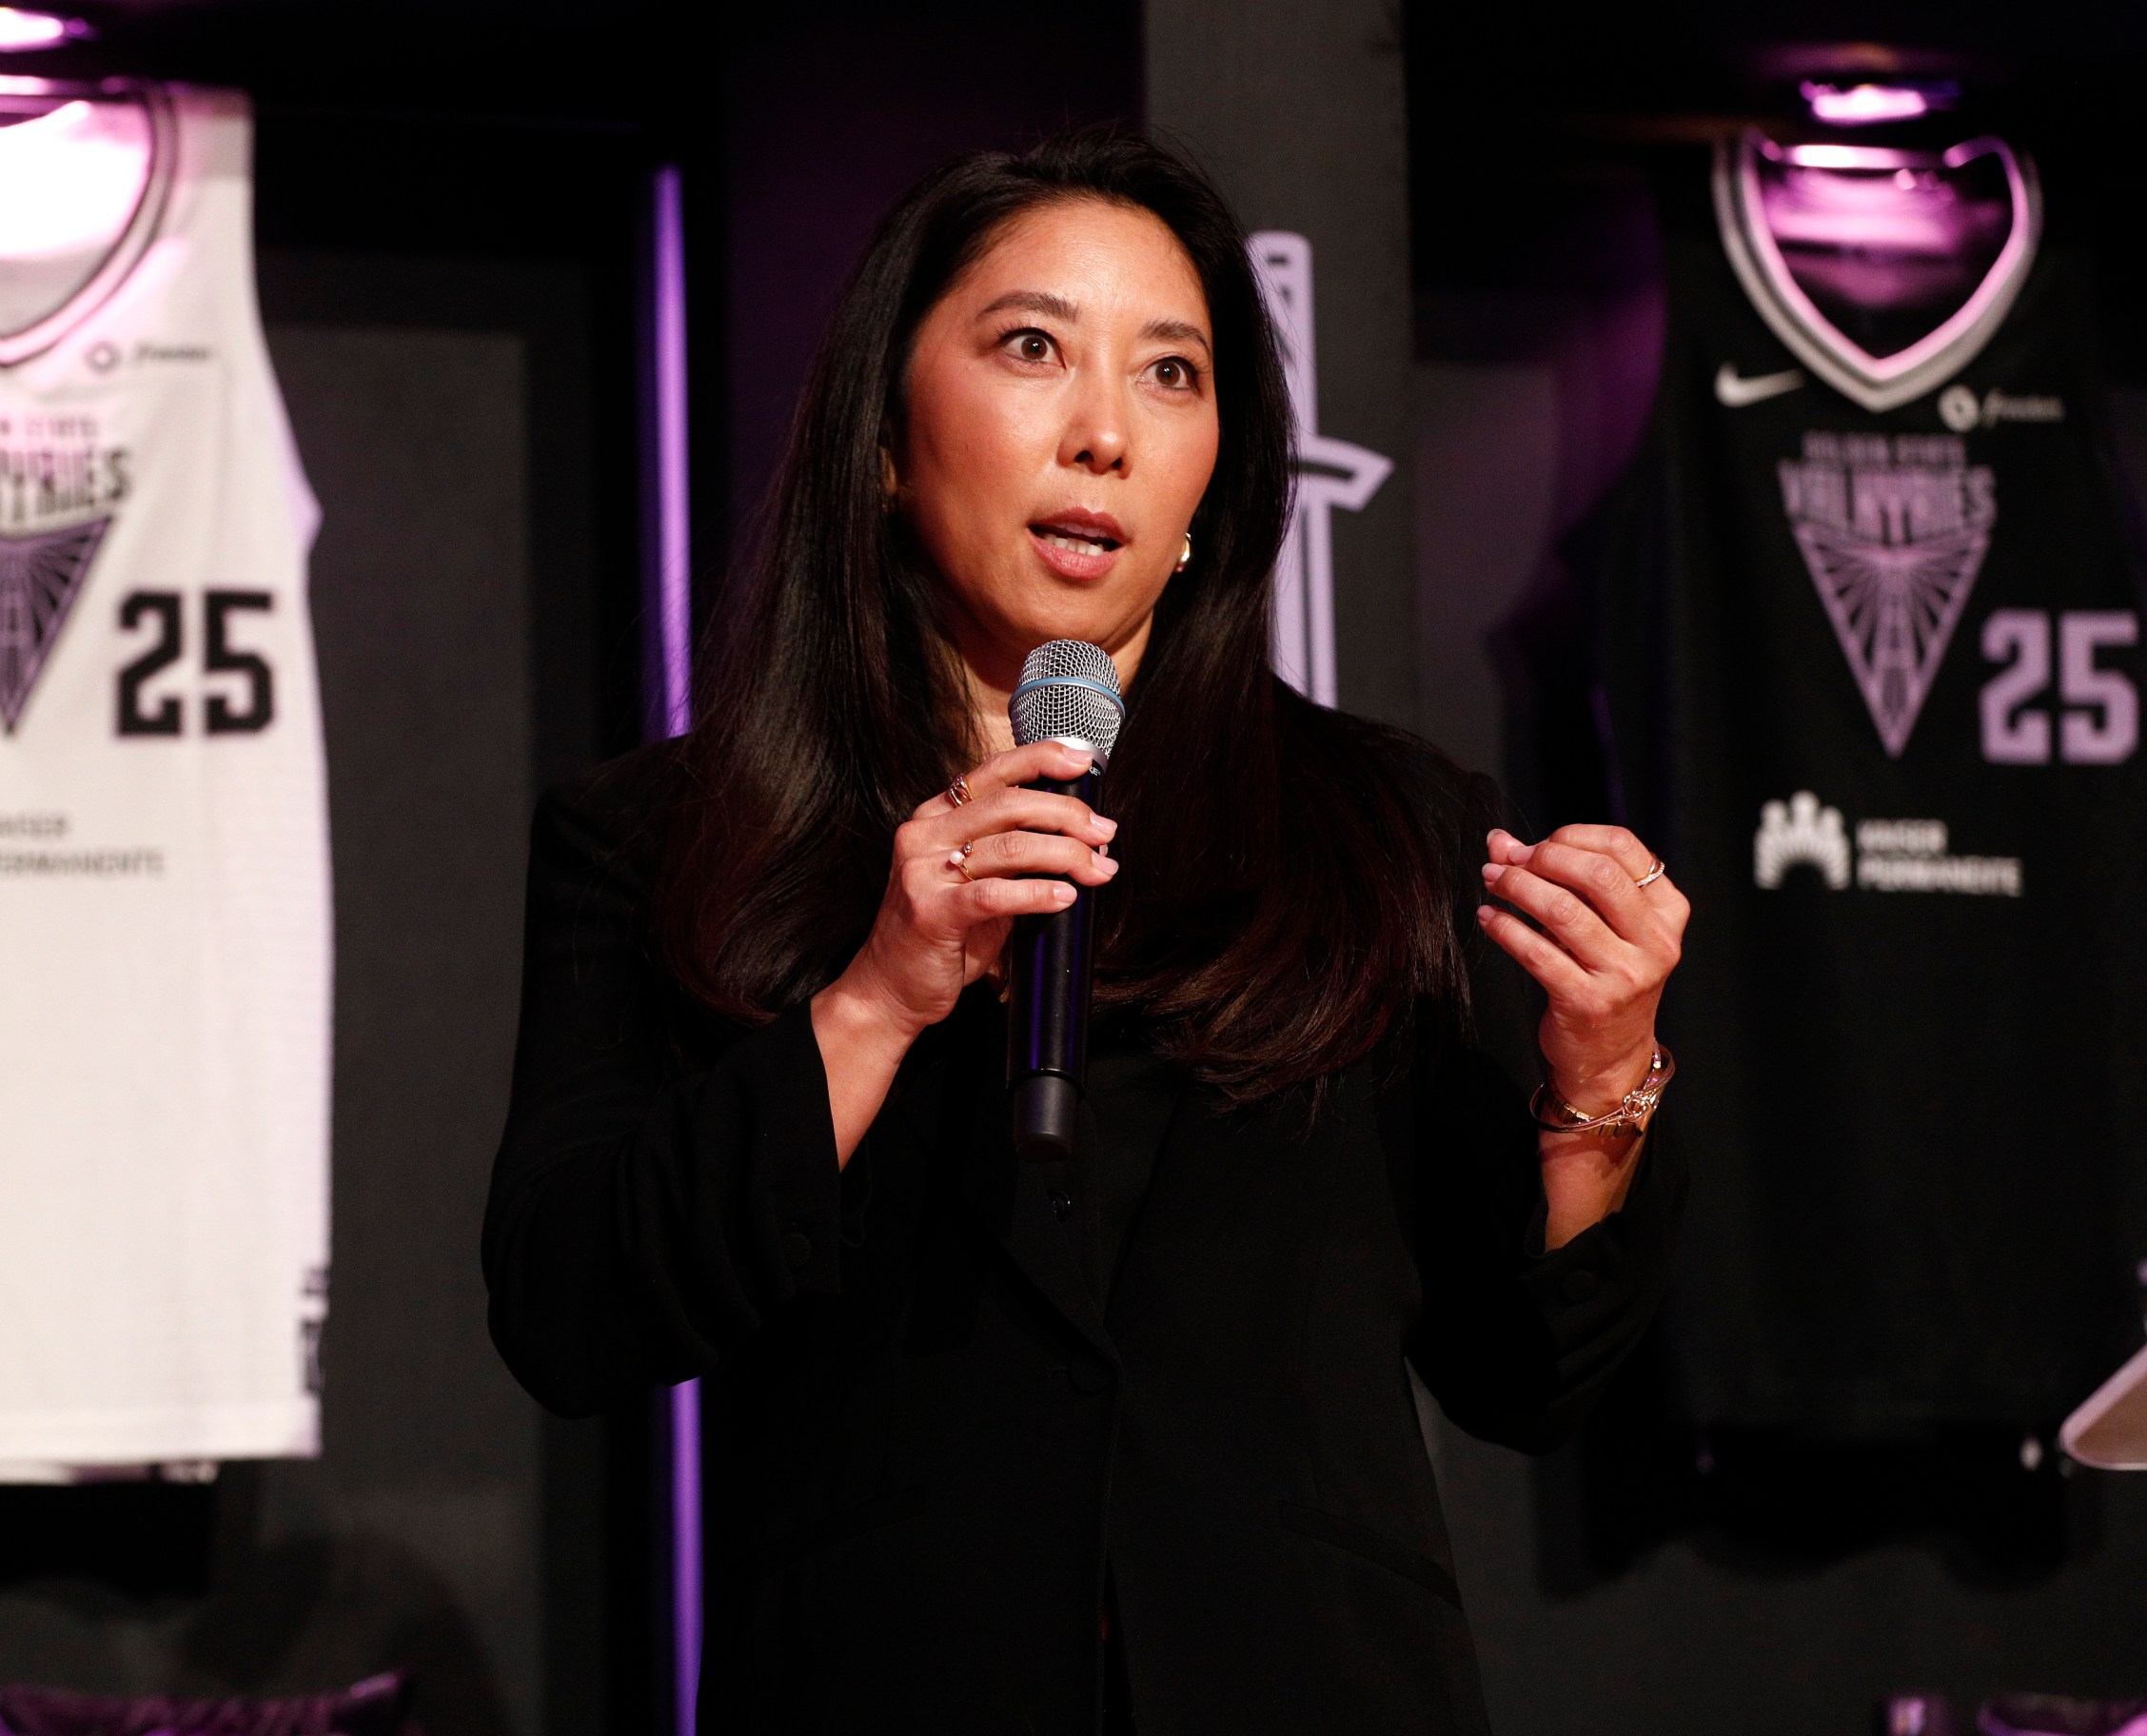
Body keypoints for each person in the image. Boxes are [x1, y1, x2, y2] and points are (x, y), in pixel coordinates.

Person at [483, 129, 1688, 1732]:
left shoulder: (1383, 824)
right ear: (887, 442)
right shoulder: (665, 840)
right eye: (1033, 349)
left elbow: (1527, 1379)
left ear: (1211, 489)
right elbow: (571, 1313)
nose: (1103, 434)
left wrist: (1600, 1085)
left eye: (1172, 375)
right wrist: (879, 999)